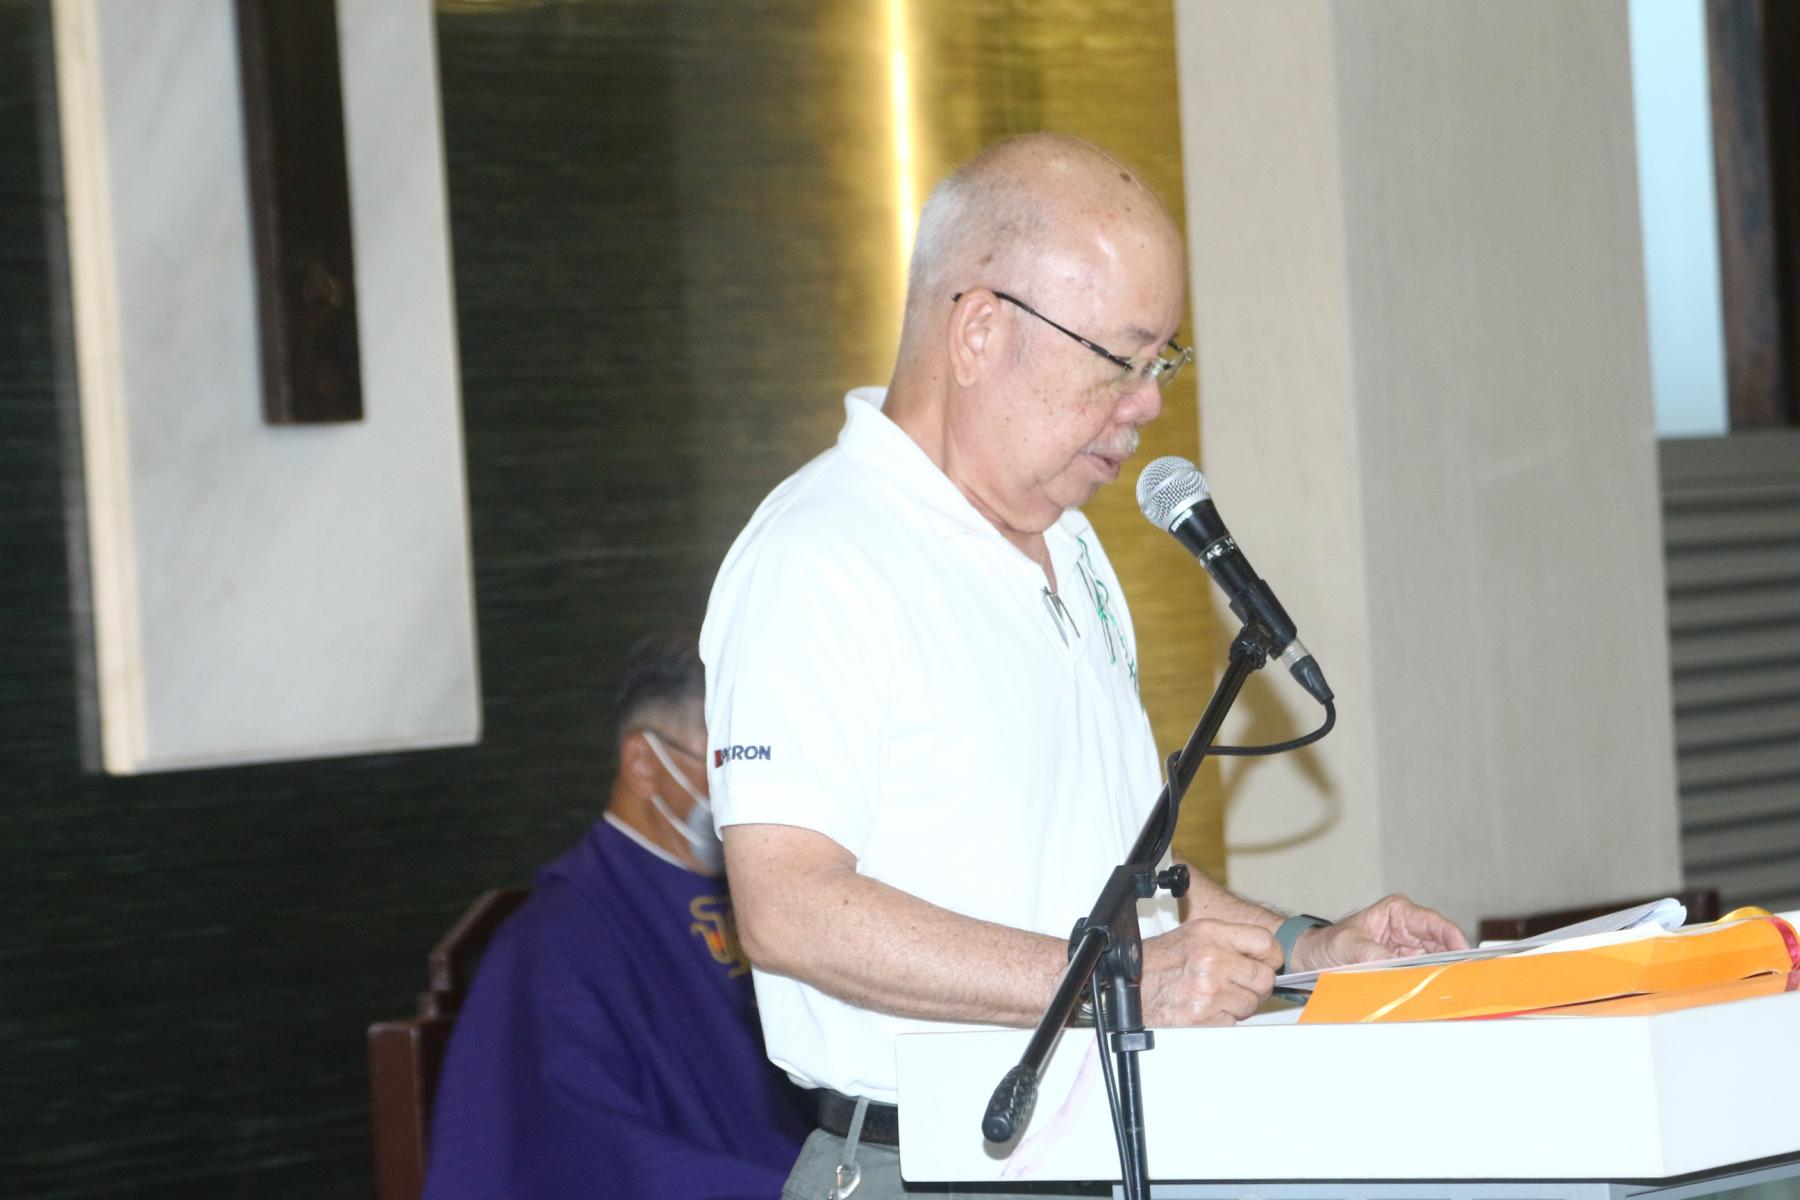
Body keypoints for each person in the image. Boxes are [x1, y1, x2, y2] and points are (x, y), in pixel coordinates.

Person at [699, 133, 1469, 1197]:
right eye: (1119, 359)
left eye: (1162, 364)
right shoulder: (821, 555)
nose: (1146, 403)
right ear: (978, 330)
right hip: (920, 1168)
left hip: (1118, 1153)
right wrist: (1120, 980)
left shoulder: (1073, 547)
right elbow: (788, 907)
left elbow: (1118, 879)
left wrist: (1306, 948)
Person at [422, 630, 812, 1200]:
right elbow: (581, 1143)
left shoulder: (768, 890)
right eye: (727, 762)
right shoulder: (554, 938)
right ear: (643, 763)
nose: (748, 790)